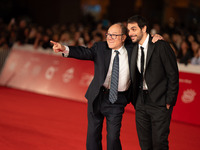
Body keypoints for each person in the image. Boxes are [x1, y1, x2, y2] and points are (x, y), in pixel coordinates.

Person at [51, 22, 161, 150]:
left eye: (114, 35)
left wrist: (155, 38)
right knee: (93, 135)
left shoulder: (133, 49)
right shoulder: (100, 48)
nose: (109, 38)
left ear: (123, 37)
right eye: (108, 34)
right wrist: (64, 48)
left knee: (113, 137)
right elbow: (84, 52)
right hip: (97, 96)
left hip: (117, 100)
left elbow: (145, 42)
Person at [127, 15, 179, 150]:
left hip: (160, 103)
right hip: (141, 102)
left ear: (144, 28)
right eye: (129, 30)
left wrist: (169, 101)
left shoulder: (160, 46)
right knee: (144, 144)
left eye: (134, 29)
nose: (130, 33)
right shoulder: (133, 49)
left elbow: (173, 74)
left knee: (159, 144)